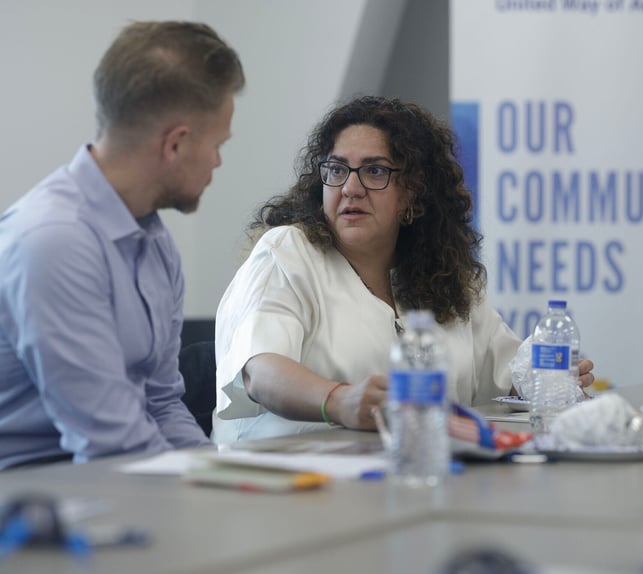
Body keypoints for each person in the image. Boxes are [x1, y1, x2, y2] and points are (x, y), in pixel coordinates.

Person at [213, 96, 594, 445]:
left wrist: (545, 379)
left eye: (375, 171)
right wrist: (339, 401)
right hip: (286, 477)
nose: (350, 188)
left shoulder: (445, 275)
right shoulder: (287, 253)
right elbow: (260, 371)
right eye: (337, 169)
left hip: (416, 472)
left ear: (412, 191)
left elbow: (507, 377)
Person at [0, 21, 246, 469]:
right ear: (175, 144)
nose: (217, 162)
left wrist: (220, 476)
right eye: (217, 145)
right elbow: (112, 443)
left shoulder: (154, 241)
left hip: (114, 479)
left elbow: (162, 405)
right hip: (33, 492)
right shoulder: (53, 241)